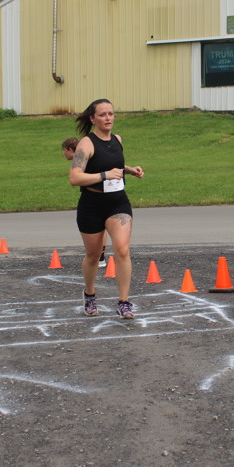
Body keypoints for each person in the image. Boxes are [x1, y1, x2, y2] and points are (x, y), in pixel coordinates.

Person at [69, 99, 144, 319]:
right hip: (92, 204)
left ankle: (124, 302)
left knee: (122, 249)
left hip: (117, 202)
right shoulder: (86, 144)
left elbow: (114, 165)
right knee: (93, 256)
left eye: (110, 113)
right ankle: (89, 294)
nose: (108, 118)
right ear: (93, 119)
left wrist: (129, 170)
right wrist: (104, 175)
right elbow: (75, 178)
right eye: (102, 114)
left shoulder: (117, 139)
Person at [62, 136, 107, 268]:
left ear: (71, 149)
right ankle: (100, 257)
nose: (63, 153)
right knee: (101, 227)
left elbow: (76, 180)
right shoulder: (90, 155)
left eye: (64, 150)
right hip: (98, 194)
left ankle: (99, 257)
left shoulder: (84, 160)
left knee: (99, 227)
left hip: (96, 195)